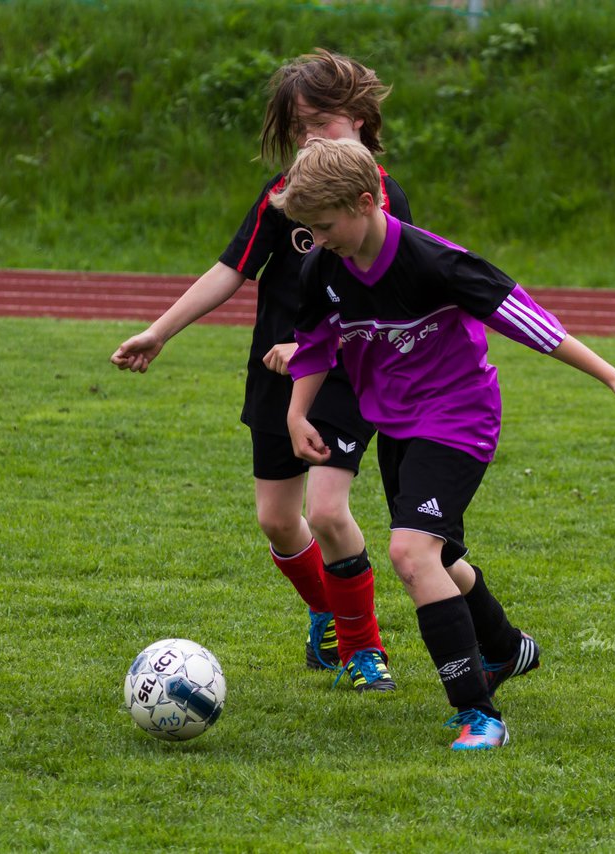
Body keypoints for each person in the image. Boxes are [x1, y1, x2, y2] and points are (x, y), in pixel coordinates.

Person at [274, 137, 615, 750]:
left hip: (458, 418)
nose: (318, 241)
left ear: (367, 202)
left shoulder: (435, 262)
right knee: (441, 557)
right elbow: (315, 342)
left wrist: (614, 377)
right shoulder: (323, 267)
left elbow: (527, 320)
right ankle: (505, 648)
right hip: (397, 425)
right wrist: (297, 413)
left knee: (411, 555)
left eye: (324, 227)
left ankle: (480, 715)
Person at [111, 51, 410, 691]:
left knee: (328, 511)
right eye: (299, 129)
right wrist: (159, 332)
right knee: (278, 519)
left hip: (345, 378)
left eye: (321, 124)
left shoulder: (381, 201)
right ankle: (329, 611)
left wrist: (313, 348)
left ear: (359, 120)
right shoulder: (283, 198)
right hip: (275, 378)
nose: (309, 140)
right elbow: (230, 270)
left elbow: (389, 298)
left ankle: (364, 649)